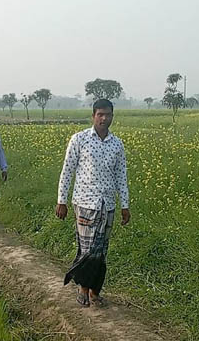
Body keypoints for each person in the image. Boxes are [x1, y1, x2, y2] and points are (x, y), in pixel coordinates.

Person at [56, 99, 130, 308]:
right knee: (87, 249)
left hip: (108, 205)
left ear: (112, 116)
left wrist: (125, 205)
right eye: (100, 114)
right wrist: (61, 200)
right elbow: (67, 171)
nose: (104, 119)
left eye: (108, 115)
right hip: (85, 203)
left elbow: (121, 177)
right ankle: (82, 289)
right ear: (93, 116)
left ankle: (95, 291)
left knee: (102, 250)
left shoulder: (117, 144)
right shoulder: (79, 139)